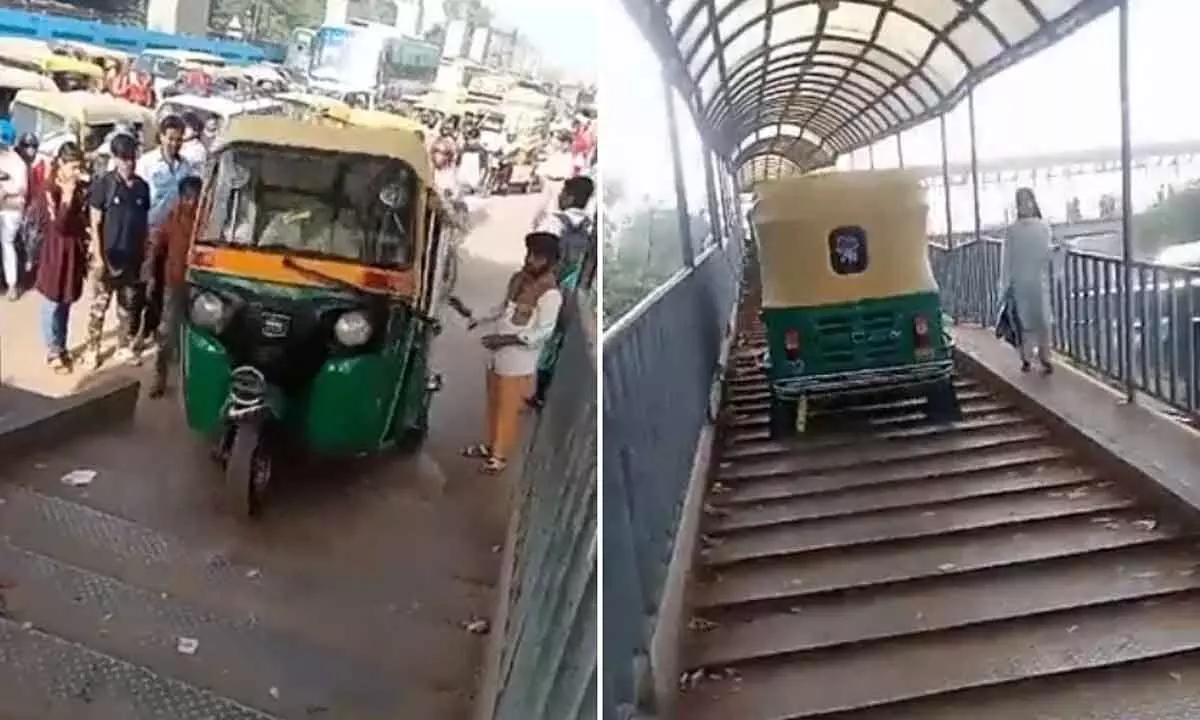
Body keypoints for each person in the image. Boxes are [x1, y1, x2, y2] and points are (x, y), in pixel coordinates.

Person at [460, 232, 564, 475]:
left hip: (519, 364)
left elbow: (543, 332)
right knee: (494, 405)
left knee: (508, 410)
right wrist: (475, 316)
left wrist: (505, 339)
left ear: (551, 261)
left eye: (537, 257)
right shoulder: (519, 280)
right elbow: (502, 309)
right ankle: (489, 446)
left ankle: (499, 457)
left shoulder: (551, 295)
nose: (529, 261)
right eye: (529, 254)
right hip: (499, 358)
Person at [527, 176, 595, 409]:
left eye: (563, 192)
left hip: (551, 287)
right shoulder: (591, 226)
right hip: (575, 290)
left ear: (570, 196)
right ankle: (544, 391)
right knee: (557, 340)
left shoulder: (554, 223)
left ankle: (538, 391)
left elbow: (538, 257)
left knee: (542, 335)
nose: (559, 196)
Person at [85, 133, 151, 369]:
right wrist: (98, 257)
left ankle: (123, 346)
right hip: (108, 258)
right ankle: (93, 349)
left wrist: (144, 257)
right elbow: (95, 223)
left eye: (132, 157)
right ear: (115, 158)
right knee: (99, 308)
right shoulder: (104, 185)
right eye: (124, 158)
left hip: (131, 260)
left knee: (126, 307)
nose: (128, 163)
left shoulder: (142, 188)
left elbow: (144, 225)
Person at [30, 142, 89, 374]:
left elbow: (81, 220)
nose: (76, 172)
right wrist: (66, 195)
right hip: (55, 251)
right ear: (61, 165)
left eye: (79, 167)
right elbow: (60, 225)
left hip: (72, 251)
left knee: (65, 301)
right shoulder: (49, 189)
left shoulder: (78, 188)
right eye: (73, 167)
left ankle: (61, 346)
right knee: (52, 301)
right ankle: (52, 350)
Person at [136, 115, 193, 351]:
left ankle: (161, 332)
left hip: (175, 237)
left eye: (179, 140)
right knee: (147, 284)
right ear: (161, 137)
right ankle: (139, 333)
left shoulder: (186, 166)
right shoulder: (147, 164)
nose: (174, 144)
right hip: (151, 233)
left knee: (168, 285)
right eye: (170, 139)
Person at [143, 175, 201, 397]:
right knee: (166, 333)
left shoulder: (207, 222)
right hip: (174, 283)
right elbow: (157, 248)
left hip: (198, 286)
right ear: (181, 197)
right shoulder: (171, 218)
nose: (192, 203)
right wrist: (151, 276)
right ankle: (160, 378)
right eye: (188, 198)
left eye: (195, 198)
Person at [1000, 187, 1055, 374]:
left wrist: (1005, 284)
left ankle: (1036, 357)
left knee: (1034, 320)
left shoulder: (1017, 230)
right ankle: (1033, 357)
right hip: (1030, 282)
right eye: (1022, 202)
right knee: (1033, 320)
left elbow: (1007, 259)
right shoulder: (1040, 228)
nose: (1025, 205)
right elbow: (1008, 259)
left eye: (1027, 201)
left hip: (1029, 281)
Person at [0, 120, 28, 300]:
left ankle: (12, 284)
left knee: (7, 243)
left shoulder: (18, 164)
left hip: (12, 208)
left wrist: (4, 193)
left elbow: (21, 188)